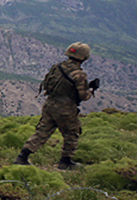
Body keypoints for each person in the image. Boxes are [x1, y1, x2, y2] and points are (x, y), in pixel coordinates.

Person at [14, 42, 100, 170]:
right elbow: (84, 96)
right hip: (66, 108)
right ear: (84, 57)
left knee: (42, 132)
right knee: (72, 133)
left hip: (50, 104)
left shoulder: (57, 67)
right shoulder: (79, 74)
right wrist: (92, 89)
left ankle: (22, 157)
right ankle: (66, 161)